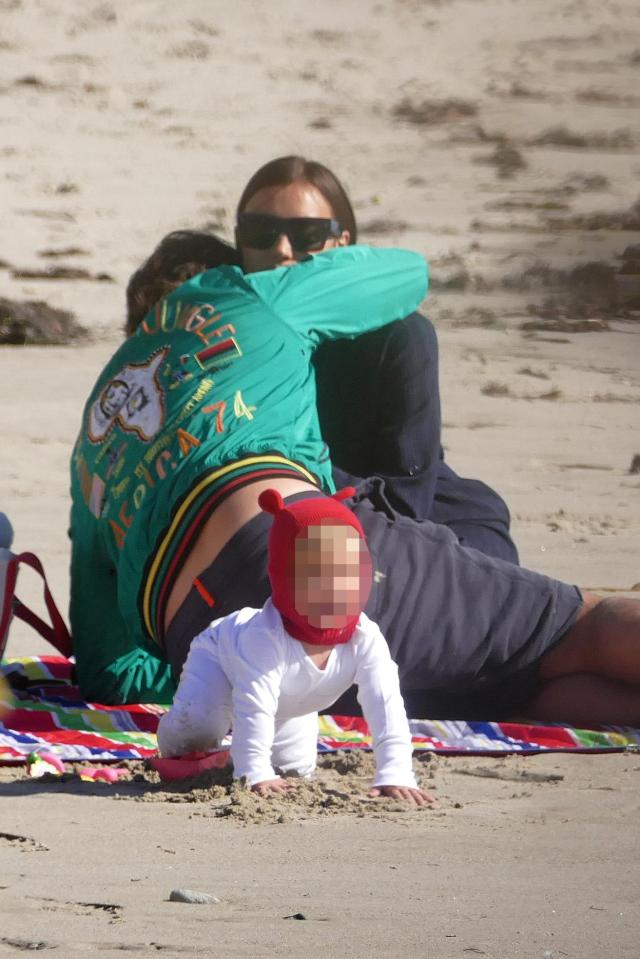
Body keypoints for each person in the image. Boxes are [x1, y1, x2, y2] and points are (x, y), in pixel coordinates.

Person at [69, 232, 428, 704]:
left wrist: (207, 668)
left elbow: (109, 673)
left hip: (212, 642)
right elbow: (408, 271)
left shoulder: (90, 451)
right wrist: (305, 272)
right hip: (329, 577)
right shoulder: (250, 303)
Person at [236, 155, 518, 563]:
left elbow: (405, 501)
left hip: (407, 518)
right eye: (260, 231)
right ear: (238, 239)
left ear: (342, 243)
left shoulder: (398, 339)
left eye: (307, 234)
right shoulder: (214, 327)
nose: (282, 250)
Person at [157, 487, 432, 806]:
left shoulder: (365, 638)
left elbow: (385, 703)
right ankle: (173, 730)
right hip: (219, 657)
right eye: (316, 575)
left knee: (294, 770)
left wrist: (396, 771)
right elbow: (255, 704)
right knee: (199, 727)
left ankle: (244, 752)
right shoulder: (266, 637)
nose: (335, 589)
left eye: (347, 572)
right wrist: (255, 771)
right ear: (285, 576)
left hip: (293, 701)